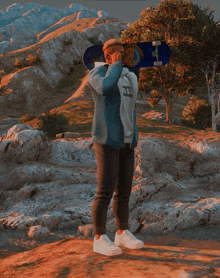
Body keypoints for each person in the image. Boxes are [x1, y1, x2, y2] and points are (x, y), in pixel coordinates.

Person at [88, 38, 144, 256]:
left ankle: (122, 232)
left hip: (127, 141)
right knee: (104, 191)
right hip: (107, 140)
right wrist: (117, 65)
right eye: (118, 52)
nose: (123, 55)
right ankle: (99, 237)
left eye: (124, 52)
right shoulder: (98, 73)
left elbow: (132, 95)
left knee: (124, 192)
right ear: (108, 55)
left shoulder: (127, 75)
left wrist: (134, 50)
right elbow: (105, 88)